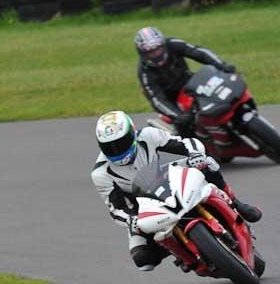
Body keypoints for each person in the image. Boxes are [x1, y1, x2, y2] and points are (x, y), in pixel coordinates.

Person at [91, 110, 261, 271]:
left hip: (166, 176)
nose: (117, 150)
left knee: (208, 163)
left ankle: (237, 204)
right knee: (143, 259)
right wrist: (131, 220)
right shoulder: (100, 173)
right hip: (142, 207)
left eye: (121, 143)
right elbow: (116, 208)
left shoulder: (149, 135)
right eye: (109, 147)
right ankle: (180, 253)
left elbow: (185, 143)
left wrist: (195, 154)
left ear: (132, 133)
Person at [135, 26, 237, 136]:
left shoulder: (173, 43)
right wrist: (177, 116)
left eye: (158, 49)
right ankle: (196, 150)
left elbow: (198, 52)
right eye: (151, 52)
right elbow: (156, 99)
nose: (156, 54)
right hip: (170, 98)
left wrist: (221, 65)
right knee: (184, 125)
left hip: (189, 81)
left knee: (219, 91)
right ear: (143, 53)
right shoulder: (144, 72)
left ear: (163, 45)